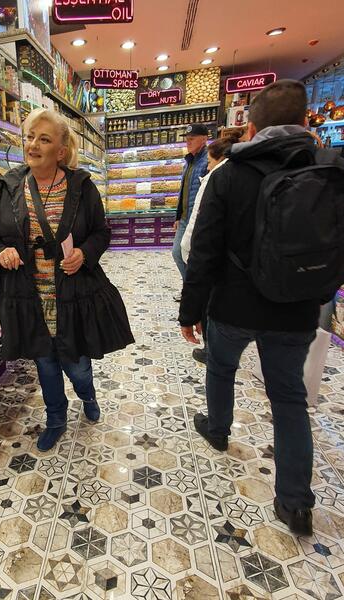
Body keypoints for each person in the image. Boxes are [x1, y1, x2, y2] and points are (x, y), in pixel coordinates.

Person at [178, 79, 344, 536]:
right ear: (306, 121)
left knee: (221, 368)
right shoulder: (330, 170)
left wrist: (190, 311)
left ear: (250, 127)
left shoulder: (228, 175)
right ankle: (295, 503)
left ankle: (218, 429)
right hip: (296, 308)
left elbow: (204, 252)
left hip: (234, 305)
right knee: (289, 399)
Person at [0, 108, 134, 452]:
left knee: (77, 365)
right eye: (30, 137)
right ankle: (56, 419)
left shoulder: (82, 187)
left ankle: (87, 394)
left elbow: (101, 232)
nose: (33, 145)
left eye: (43, 139)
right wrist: (0, 252)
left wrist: (85, 254)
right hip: (27, 297)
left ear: (61, 151)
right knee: (45, 363)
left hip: (72, 295)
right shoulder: (7, 187)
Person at [180, 135, 239, 364]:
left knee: (209, 301)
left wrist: (189, 312)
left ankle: (211, 350)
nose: (208, 166)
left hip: (214, 263)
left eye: (211, 162)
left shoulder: (217, 178)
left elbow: (200, 226)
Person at [171, 123, 209, 290]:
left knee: (191, 257)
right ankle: (190, 289)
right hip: (185, 218)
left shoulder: (208, 161)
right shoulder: (189, 161)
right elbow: (183, 191)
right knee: (177, 253)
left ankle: (195, 291)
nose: (188, 142)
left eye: (192, 139)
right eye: (187, 139)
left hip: (197, 220)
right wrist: (178, 216)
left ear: (204, 139)